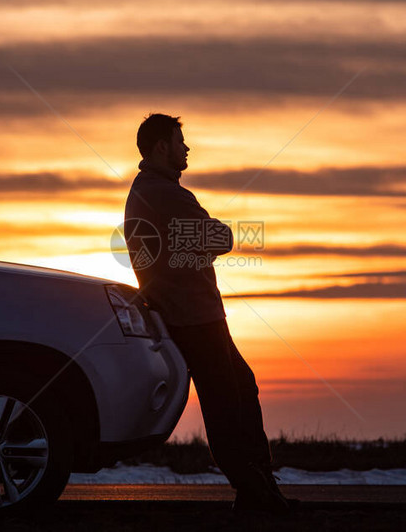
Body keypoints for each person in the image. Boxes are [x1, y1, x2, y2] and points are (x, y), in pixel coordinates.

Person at [123, 113, 294, 513]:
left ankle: (259, 486)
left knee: (239, 388)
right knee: (226, 400)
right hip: (192, 316)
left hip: (194, 313)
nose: (187, 149)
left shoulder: (155, 190)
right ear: (162, 147)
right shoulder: (164, 193)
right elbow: (220, 237)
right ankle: (254, 491)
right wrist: (213, 233)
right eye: (180, 142)